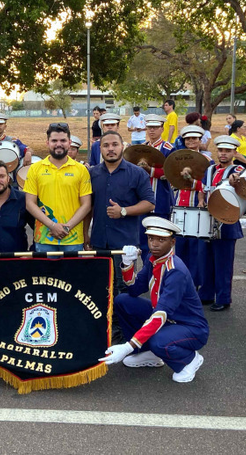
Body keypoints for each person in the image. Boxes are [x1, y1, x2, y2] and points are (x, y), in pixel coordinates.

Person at [100, 217, 209, 383]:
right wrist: (127, 263)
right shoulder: (153, 260)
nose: (154, 244)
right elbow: (134, 289)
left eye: (161, 240)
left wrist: (128, 346)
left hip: (190, 327)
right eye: (151, 238)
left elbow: (160, 314)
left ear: (172, 242)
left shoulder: (175, 271)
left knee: (158, 341)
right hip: (168, 320)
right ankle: (148, 352)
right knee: (123, 301)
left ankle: (189, 360)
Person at [85, 130, 156, 343]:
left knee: (124, 289)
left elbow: (149, 203)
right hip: (99, 241)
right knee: (100, 287)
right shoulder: (92, 174)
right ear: (100, 149)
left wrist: (123, 211)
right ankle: (104, 328)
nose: (110, 149)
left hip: (124, 244)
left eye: (114, 144)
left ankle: (125, 332)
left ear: (122, 146)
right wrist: (85, 235)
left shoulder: (137, 173)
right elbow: (88, 207)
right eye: (106, 145)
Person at [24, 124, 92, 252]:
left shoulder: (81, 170)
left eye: (63, 140)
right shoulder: (35, 169)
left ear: (69, 143)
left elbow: (86, 205)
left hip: (73, 238)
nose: (58, 144)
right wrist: (52, 225)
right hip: (44, 238)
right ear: (47, 143)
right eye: (54, 140)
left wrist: (67, 227)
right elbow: (30, 203)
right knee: (45, 267)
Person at [198, 136, 244, 311]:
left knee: (223, 263)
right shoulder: (210, 169)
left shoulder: (238, 169)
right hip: (208, 219)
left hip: (227, 220)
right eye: (221, 150)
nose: (223, 154)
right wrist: (201, 200)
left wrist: (237, 179)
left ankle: (223, 298)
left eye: (227, 151)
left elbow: (244, 183)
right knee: (206, 260)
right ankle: (206, 294)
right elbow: (203, 188)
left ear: (234, 153)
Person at [172, 128, 210, 285]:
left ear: (200, 140)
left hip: (196, 206)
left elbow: (207, 185)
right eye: (188, 139)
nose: (191, 141)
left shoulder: (207, 160)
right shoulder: (178, 159)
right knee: (180, 246)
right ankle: (180, 281)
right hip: (180, 204)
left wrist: (192, 181)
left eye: (194, 138)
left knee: (195, 248)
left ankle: (194, 283)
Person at [136, 114, 174, 260]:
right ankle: (147, 269)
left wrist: (149, 170)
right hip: (141, 201)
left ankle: (159, 269)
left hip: (161, 201)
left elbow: (170, 173)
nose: (151, 130)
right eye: (149, 127)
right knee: (143, 241)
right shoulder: (141, 148)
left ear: (162, 129)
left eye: (155, 127)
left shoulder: (168, 148)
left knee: (160, 241)